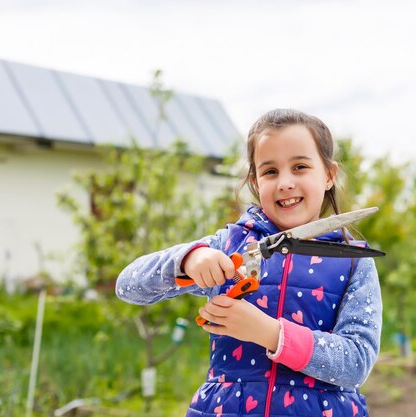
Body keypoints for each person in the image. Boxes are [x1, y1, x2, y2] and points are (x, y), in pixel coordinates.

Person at [116, 108, 382, 417]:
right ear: (255, 180)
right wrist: (189, 259)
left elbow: (356, 363)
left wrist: (270, 333)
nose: (285, 182)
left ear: (329, 175)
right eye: (270, 171)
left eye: (300, 167)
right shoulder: (230, 245)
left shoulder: (353, 262)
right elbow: (128, 286)